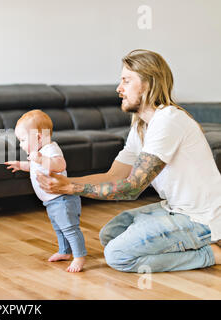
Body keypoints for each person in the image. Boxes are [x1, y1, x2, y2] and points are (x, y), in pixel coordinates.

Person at [36, 49, 221, 273]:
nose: (119, 89)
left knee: (117, 256)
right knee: (110, 235)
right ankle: (186, 242)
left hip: (202, 216)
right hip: (175, 208)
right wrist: (63, 184)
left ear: (148, 84)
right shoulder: (141, 126)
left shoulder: (168, 120)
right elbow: (113, 176)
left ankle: (209, 253)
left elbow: (132, 188)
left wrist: (70, 187)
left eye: (126, 81)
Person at [5, 110, 87, 272]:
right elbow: (35, 167)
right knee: (59, 228)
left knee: (69, 228)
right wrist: (22, 165)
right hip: (51, 201)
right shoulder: (37, 154)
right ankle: (65, 251)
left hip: (63, 198)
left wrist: (40, 158)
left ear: (38, 138)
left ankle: (79, 257)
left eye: (22, 140)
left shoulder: (50, 149)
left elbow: (60, 165)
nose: (20, 144)